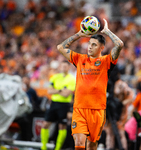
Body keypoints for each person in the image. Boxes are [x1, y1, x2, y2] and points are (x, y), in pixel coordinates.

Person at [57, 19, 124, 150]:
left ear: (101, 48)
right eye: (89, 44)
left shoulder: (106, 61)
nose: (90, 47)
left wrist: (107, 32)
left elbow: (120, 44)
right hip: (79, 109)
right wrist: (79, 35)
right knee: (79, 142)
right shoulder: (80, 59)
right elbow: (61, 47)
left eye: (94, 45)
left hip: (97, 110)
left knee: (92, 145)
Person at [40, 60, 76, 150]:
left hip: (64, 105)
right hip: (54, 103)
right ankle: (43, 146)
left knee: (62, 126)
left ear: (68, 67)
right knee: (45, 124)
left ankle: (58, 148)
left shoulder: (72, 79)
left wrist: (56, 90)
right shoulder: (55, 77)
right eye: (62, 66)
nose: (63, 68)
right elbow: (49, 91)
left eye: (65, 66)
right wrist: (61, 90)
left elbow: (67, 94)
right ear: (60, 67)